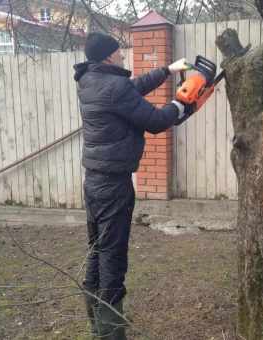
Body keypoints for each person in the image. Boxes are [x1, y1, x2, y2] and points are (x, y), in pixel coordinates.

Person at [73, 32, 199, 339]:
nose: (122, 55)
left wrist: (168, 70)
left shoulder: (89, 80)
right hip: (113, 187)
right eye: (118, 52)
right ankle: (110, 333)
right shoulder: (113, 87)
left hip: (94, 182)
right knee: (112, 257)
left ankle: (97, 326)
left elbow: (130, 88)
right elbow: (156, 122)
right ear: (108, 57)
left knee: (97, 250)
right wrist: (182, 102)